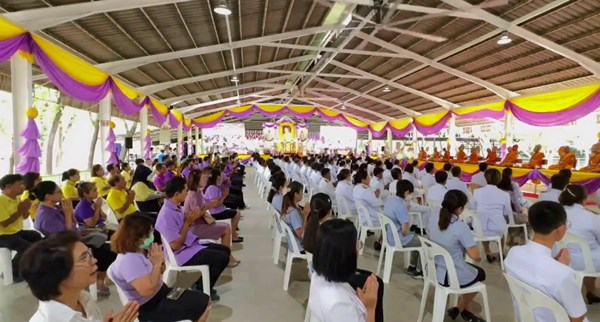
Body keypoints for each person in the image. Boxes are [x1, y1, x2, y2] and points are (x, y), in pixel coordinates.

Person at [21, 231, 139, 322]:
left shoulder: (83, 299)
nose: (94, 260)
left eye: (89, 254)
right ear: (58, 275)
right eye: (84, 258)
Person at [109, 215, 211, 322]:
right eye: (149, 232)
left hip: (162, 293)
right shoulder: (128, 261)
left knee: (204, 300)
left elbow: (159, 272)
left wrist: (160, 263)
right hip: (150, 306)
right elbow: (147, 290)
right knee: (201, 304)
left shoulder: (141, 250)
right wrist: (157, 264)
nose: (152, 234)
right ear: (137, 238)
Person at [505, 201, 589, 322]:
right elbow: (578, 318)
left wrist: (557, 265)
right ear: (560, 229)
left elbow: (536, 271)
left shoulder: (513, 253)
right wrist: (564, 268)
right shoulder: (563, 274)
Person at [155, 176, 231, 301]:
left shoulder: (175, 207)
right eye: (185, 190)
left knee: (224, 250)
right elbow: (175, 245)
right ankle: (202, 288)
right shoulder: (166, 215)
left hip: (190, 245)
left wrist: (190, 218)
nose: (187, 192)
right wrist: (187, 222)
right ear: (177, 193)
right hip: (181, 254)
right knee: (222, 257)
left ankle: (202, 282)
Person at [33, 181, 115, 296]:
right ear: (48, 196)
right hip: (64, 247)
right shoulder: (46, 216)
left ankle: (97, 280)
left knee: (109, 246)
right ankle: (93, 280)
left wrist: (70, 213)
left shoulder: (55, 207)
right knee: (109, 252)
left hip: (75, 239)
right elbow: (65, 238)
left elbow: (75, 224)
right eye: (58, 191)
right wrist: (67, 215)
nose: (62, 193)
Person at [429, 190, 486, 322]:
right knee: (480, 273)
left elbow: (432, 238)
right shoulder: (460, 227)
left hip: (434, 269)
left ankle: (465, 310)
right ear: (460, 209)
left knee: (467, 269)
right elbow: (475, 255)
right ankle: (460, 308)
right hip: (451, 275)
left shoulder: (434, 219)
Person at [309, 219, 379, 322]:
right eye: (357, 245)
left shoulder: (318, 276)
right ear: (346, 255)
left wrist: (358, 300)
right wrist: (370, 307)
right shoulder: (339, 304)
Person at [184, 169, 240, 266]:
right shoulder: (194, 194)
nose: (206, 179)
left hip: (201, 223)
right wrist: (208, 206)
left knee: (226, 227)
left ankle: (229, 256)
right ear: (197, 180)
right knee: (226, 228)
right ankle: (228, 257)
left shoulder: (197, 192)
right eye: (203, 178)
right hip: (195, 227)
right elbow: (195, 216)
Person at [559, 185, 600, 304]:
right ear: (584, 199)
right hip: (589, 262)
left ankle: (589, 290)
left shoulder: (558, 213)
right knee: (591, 252)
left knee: (588, 252)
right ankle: (590, 290)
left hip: (562, 257)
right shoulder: (593, 218)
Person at [0, 174, 42, 282]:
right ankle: (11, 273)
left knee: (37, 237)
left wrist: (25, 209)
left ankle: (30, 265)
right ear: (8, 186)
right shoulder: (1, 201)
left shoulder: (18, 198)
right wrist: (20, 210)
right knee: (26, 247)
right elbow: (4, 223)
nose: (23, 187)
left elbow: (25, 217)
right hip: (3, 235)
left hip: (16, 231)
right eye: (20, 184)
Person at [383, 180, 422, 277]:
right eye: (410, 194)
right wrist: (413, 234)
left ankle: (414, 266)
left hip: (389, 235)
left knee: (417, 237)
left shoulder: (390, 200)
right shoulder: (400, 205)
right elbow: (405, 230)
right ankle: (416, 269)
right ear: (406, 192)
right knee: (423, 242)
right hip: (398, 238)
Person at [473, 169, 512, 262]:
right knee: (502, 227)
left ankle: (487, 251)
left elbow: (473, 208)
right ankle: (501, 251)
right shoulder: (504, 194)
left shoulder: (477, 192)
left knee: (482, 223)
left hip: (480, 229)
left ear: (485, 178)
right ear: (499, 179)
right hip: (498, 229)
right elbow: (507, 212)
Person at [202, 169, 243, 243]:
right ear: (218, 177)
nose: (222, 177)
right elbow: (216, 204)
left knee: (236, 210)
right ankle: (232, 236)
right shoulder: (212, 188)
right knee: (237, 214)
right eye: (221, 176)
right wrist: (224, 196)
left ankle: (233, 232)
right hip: (216, 213)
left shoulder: (215, 186)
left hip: (219, 209)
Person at [281, 181, 308, 252]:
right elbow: (301, 234)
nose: (303, 194)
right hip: (299, 247)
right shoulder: (293, 213)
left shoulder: (288, 207)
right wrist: (305, 215)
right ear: (296, 194)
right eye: (301, 192)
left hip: (293, 245)